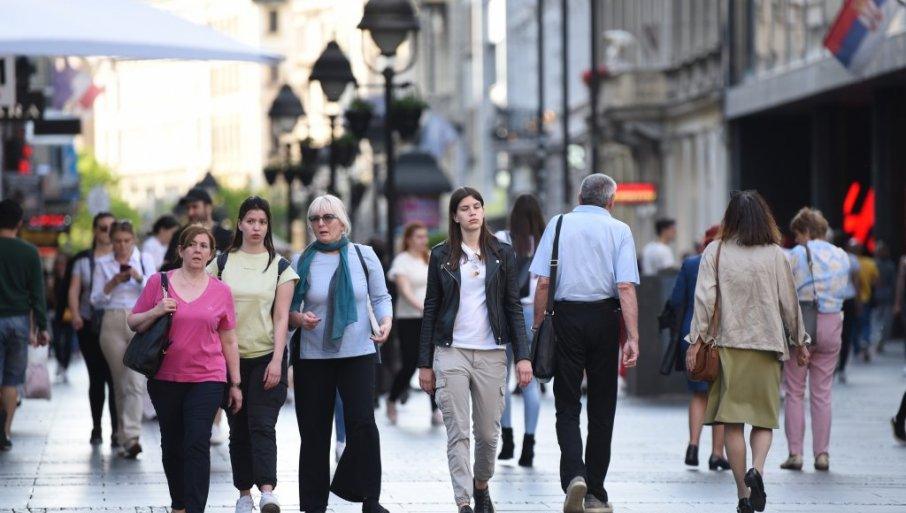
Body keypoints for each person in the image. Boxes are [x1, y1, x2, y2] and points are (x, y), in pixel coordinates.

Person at [685, 190, 810, 513]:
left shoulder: (717, 251)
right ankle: (758, 468)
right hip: (768, 347)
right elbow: (790, 303)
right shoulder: (776, 255)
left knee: (732, 423)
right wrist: (800, 341)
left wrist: (696, 339)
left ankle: (743, 495)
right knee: (763, 420)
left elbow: (704, 299)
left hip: (728, 346)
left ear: (732, 219)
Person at [418, 187, 533, 513]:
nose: (472, 212)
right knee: (458, 433)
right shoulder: (441, 255)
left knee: (487, 436)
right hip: (450, 352)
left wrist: (523, 356)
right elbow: (431, 308)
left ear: (482, 212)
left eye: (477, 207)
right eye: (465, 208)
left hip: (492, 353)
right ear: (455, 216)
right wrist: (424, 363)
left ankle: (481, 484)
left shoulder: (503, 253)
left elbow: (512, 306)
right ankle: (464, 501)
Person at [530, 174, 640, 513]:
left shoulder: (559, 224)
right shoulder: (620, 230)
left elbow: (544, 282)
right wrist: (632, 335)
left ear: (579, 197)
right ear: (611, 201)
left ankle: (574, 474)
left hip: (566, 318)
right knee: (602, 406)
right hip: (605, 319)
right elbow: (625, 287)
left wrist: (538, 328)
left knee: (567, 404)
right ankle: (595, 492)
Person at [288, 195, 393, 513]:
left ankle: (370, 499)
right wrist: (299, 319)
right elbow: (288, 309)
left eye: (328, 217)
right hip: (313, 356)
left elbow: (380, 296)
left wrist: (386, 320)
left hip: (358, 351)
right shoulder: (300, 260)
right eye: (314, 219)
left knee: (362, 425)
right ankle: (313, 504)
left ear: (342, 221)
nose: (321, 223)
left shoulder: (364, 255)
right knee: (315, 431)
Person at [128, 225, 243, 513]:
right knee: (172, 444)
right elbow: (133, 321)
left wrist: (236, 383)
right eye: (191, 245)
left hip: (208, 378)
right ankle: (179, 503)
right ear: (180, 250)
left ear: (210, 254)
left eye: (204, 246)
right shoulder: (159, 282)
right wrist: (157, 310)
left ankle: (194, 508)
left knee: (197, 442)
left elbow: (229, 339)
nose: (197, 250)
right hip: (165, 378)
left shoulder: (221, 291)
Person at [207, 197, 299, 513]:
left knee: (262, 425)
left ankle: (268, 491)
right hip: (228, 360)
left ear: (267, 225)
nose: (256, 227)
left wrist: (277, 361)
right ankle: (244, 493)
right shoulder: (220, 264)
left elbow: (282, 317)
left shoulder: (280, 267)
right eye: (250, 221)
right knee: (238, 428)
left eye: (261, 222)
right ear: (240, 224)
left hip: (266, 357)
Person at [781, 208, 850, 472]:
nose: (796, 240)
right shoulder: (841, 255)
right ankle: (822, 454)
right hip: (833, 323)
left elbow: (786, 289)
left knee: (795, 391)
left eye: (797, 234)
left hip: (803, 324)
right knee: (822, 393)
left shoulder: (797, 254)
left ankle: (795, 454)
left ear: (806, 231)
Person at [90, 220, 156, 458]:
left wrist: (138, 278)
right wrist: (112, 283)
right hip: (111, 321)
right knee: (119, 382)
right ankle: (122, 435)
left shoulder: (144, 259)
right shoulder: (102, 264)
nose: (122, 245)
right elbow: (95, 299)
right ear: (111, 240)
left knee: (136, 382)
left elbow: (156, 288)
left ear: (134, 240)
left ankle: (132, 436)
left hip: (139, 319)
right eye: (117, 240)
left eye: (127, 240)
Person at [668, 225, 730, 471]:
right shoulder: (730, 265)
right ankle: (717, 454)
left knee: (697, 394)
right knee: (721, 395)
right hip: (722, 337)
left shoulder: (691, 264)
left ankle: (693, 446)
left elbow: (675, 300)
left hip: (692, 336)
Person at [494, 193, 544, 467]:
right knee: (529, 381)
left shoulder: (503, 238)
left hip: (506, 313)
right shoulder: (546, 241)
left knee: (501, 381)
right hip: (532, 314)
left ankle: (508, 440)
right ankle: (529, 445)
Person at [0, 199, 50, 451]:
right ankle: (5, 432)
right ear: (19, 222)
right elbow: (37, 294)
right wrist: (42, 326)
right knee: (11, 380)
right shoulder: (29, 252)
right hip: (19, 321)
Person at [68, 212, 118, 446]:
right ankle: (97, 427)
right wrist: (76, 315)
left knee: (115, 378)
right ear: (94, 230)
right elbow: (74, 290)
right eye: (102, 227)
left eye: (111, 227)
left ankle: (118, 430)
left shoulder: (122, 258)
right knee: (97, 377)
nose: (106, 232)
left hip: (116, 324)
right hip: (89, 326)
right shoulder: (83, 261)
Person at [385, 221, 441, 427]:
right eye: (418, 236)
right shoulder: (402, 260)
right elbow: (404, 290)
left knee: (432, 363)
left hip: (430, 320)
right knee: (410, 363)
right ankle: (392, 400)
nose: (423, 240)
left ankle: (436, 409)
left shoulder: (430, 258)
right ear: (408, 239)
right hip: (409, 319)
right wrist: (423, 308)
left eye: (425, 236)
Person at [161, 187, 233, 271]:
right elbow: (166, 268)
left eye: (195, 207)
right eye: (188, 208)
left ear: (208, 207)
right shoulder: (179, 235)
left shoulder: (227, 237)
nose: (190, 212)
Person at [836, 237, 860, 383]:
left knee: (835, 333)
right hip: (849, 298)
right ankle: (842, 368)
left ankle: (836, 366)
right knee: (846, 334)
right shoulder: (852, 259)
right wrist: (858, 301)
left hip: (835, 299)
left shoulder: (833, 257)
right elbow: (856, 281)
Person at [50, 252, 75, 383]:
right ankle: (60, 362)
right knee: (57, 341)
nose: (61, 266)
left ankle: (65, 366)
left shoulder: (72, 279)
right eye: (59, 264)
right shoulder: (52, 279)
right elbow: (49, 296)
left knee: (69, 343)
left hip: (70, 315)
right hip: (56, 315)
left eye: (63, 264)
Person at [853, 242, 879, 362]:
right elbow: (876, 281)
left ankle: (857, 348)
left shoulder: (848, 261)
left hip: (852, 299)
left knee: (854, 324)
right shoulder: (870, 263)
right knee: (866, 323)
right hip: (866, 298)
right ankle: (865, 340)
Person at [871, 242, 895, 354]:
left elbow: (894, 283)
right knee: (878, 321)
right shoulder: (874, 264)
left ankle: (880, 341)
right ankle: (878, 341)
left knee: (884, 322)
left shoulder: (890, 265)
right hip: (878, 298)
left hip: (886, 297)